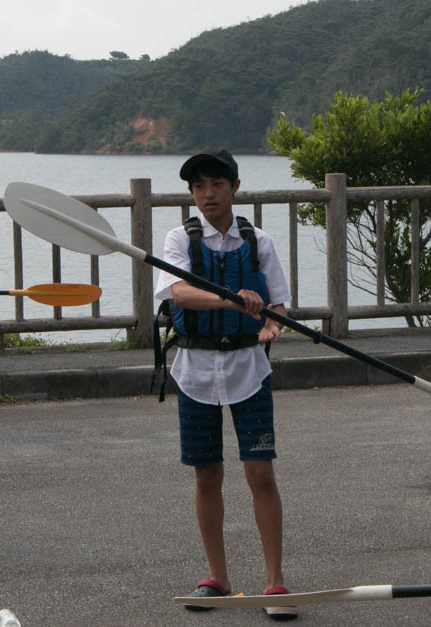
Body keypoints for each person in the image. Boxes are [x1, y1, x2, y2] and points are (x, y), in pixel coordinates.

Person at [154, 149, 297, 620]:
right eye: (198, 187)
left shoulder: (259, 242)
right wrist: (234, 303)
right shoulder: (179, 239)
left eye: (216, 184)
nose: (207, 194)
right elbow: (178, 292)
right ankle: (217, 577)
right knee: (207, 474)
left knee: (260, 473)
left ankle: (275, 583)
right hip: (194, 371)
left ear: (234, 187)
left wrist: (271, 325)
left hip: (248, 370)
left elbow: (278, 306)